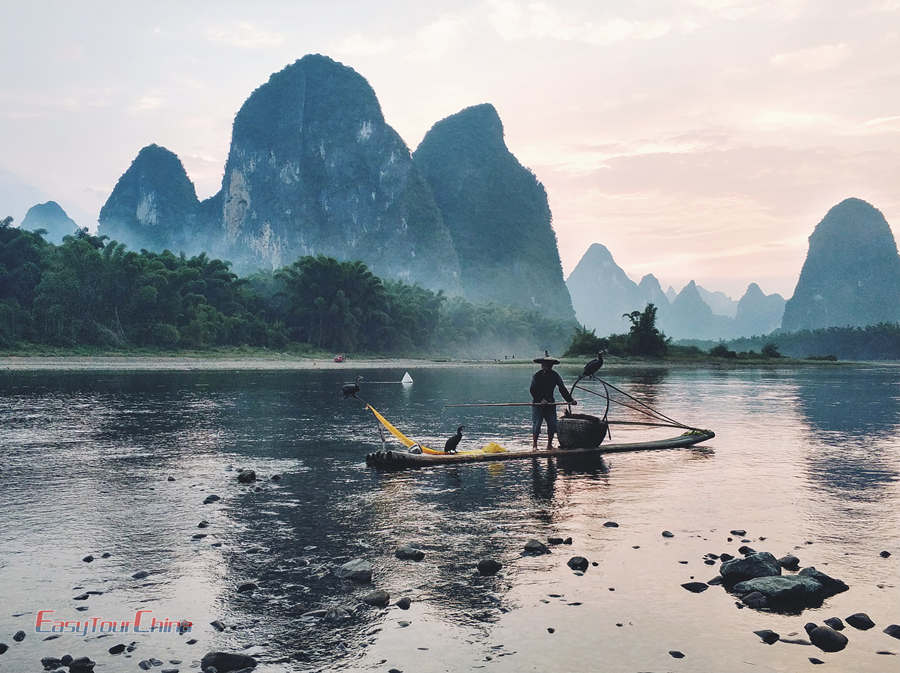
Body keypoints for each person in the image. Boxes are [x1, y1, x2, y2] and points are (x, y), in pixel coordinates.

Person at [530, 352, 576, 449]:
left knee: (552, 425)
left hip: (550, 403)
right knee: (537, 424)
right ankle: (535, 445)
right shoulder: (537, 376)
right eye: (545, 364)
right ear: (542, 365)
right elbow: (533, 390)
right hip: (538, 404)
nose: (546, 366)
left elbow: (562, 389)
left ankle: (549, 445)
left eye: (549, 365)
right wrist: (541, 400)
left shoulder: (555, 376)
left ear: (551, 366)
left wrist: (570, 400)